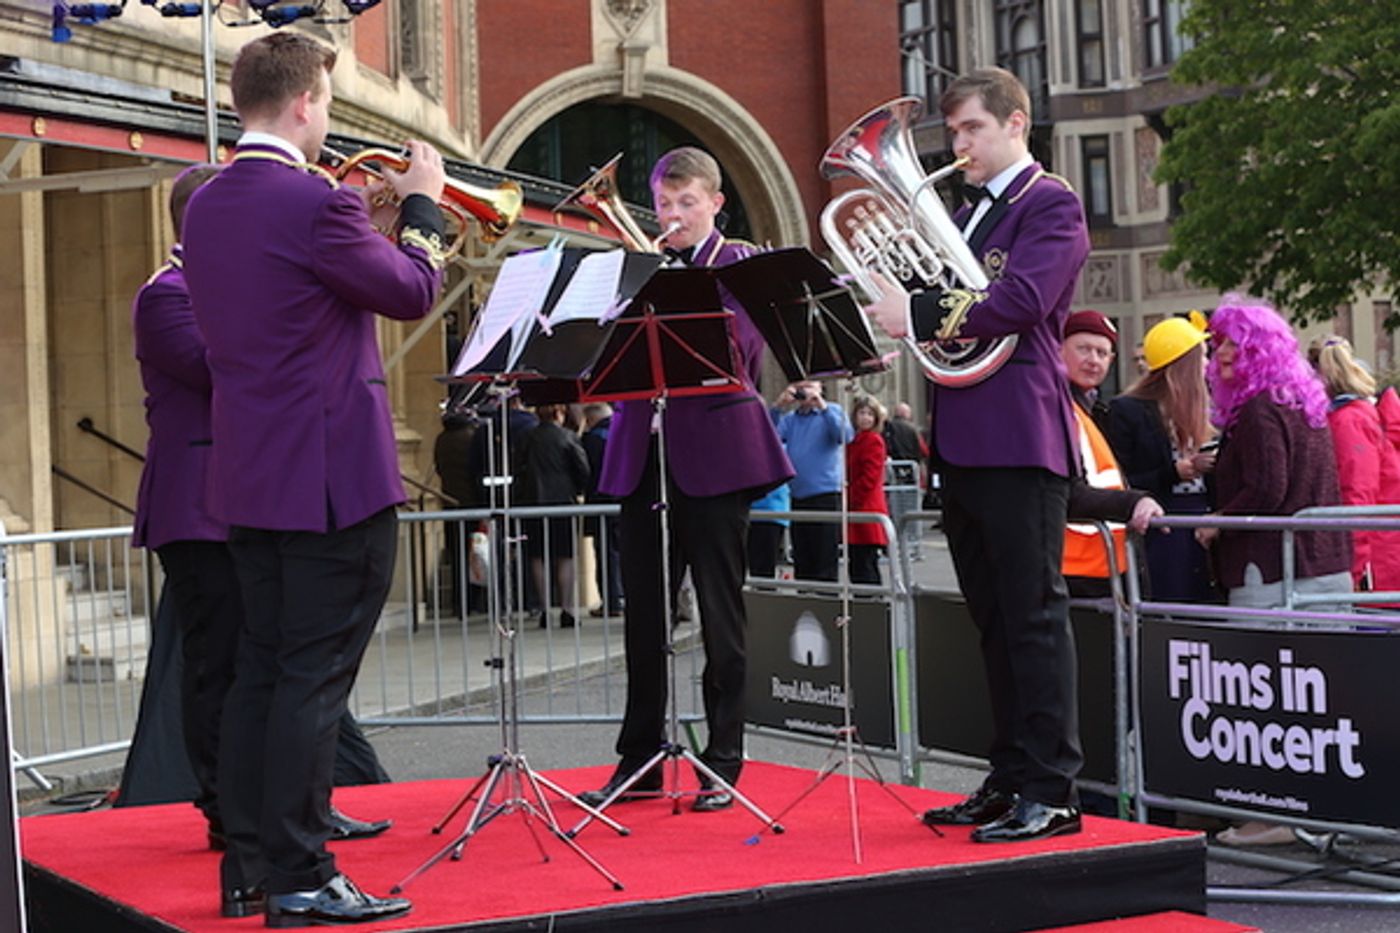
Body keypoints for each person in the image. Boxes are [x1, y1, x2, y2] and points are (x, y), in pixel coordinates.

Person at [182, 32, 445, 926]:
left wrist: (358, 222)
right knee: (312, 681)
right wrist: (423, 211)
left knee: (263, 671)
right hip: (334, 478)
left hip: (252, 477)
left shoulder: (206, 206)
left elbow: (295, 294)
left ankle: (253, 865)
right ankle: (300, 872)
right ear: (302, 104)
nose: (328, 118)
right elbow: (412, 290)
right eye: (327, 103)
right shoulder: (317, 204)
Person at [863, 67, 1089, 842]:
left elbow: (1023, 302)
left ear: (1015, 125)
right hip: (961, 436)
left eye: (971, 131)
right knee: (991, 619)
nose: (956, 146)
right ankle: (1009, 774)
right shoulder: (967, 214)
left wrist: (916, 308)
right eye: (952, 132)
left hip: (1020, 435)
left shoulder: (1050, 203)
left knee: (1031, 616)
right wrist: (884, 307)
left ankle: (1054, 785)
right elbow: (936, 308)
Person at [581, 147, 793, 813]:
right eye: (665, 206)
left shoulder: (739, 265)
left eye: (686, 204)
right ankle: (639, 760)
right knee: (643, 618)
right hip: (644, 453)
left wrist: (674, 293)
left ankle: (724, 757)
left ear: (714, 204)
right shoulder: (638, 265)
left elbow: (744, 354)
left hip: (716, 455)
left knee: (720, 613)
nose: (671, 216)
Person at [1194, 298, 1352, 608]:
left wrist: (1220, 520)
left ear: (1258, 351)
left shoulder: (1259, 408)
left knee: (1260, 655)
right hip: (1325, 565)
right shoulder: (1302, 403)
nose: (1220, 352)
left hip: (1273, 574)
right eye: (1219, 343)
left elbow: (1267, 486)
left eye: (1232, 343)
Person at [1106, 314, 1219, 602]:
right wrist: (1173, 472)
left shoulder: (1211, 409)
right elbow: (1119, 482)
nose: (1208, 365)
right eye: (1202, 357)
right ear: (1183, 364)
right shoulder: (1127, 409)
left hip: (1204, 526)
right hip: (1160, 529)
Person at [1060, 310, 1163, 597]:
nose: (1093, 359)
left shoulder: (1092, 410)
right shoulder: (1056, 409)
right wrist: (1133, 502)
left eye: (1102, 353)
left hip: (1102, 568)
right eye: (1084, 349)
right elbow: (1065, 490)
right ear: (1058, 349)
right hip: (1075, 574)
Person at [1314, 337, 1400, 597]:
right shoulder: (1359, 415)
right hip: (1381, 553)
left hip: (1375, 561)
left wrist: (1354, 568)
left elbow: (1357, 496)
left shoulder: (1348, 421)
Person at [517, 403, 590, 628]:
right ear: (560, 412)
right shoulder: (567, 437)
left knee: (538, 557)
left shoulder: (527, 437)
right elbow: (583, 469)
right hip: (562, 503)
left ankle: (545, 610)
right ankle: (567, 608)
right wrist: (578, 490)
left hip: (532, 503)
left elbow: (517, 467)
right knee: (565, 557)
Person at [776, 379, 852, 582]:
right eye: (802, 387)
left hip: (825, 494)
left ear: (820, 389)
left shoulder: (832, 411)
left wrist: (822, 406)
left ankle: (825, 601)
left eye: (811, 386)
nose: (805, 391)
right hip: (798, 495)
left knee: (824, 557)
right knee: (803, 557)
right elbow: (768, 437)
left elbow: (844, 436)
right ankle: (805, 601)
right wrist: (778, 407)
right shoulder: (790, 419)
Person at [581, 402, 624, 617]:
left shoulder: (593, 437)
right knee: (623, 551)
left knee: (606, 554)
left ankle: (612, 600)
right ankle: (623, 598)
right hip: (623, 499)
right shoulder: (622, 430)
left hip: (600, 501)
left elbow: (585, 471)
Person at [845, 395, 891, 585]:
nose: (865, 418)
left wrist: (850, 499)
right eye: (861, 413)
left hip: (866, 506)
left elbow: (869, 478)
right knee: (856, 564)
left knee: (866, 564)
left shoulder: (873, 440)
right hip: (855, 507)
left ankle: (874, 605)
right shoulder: (853, 441)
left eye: (869, 414)